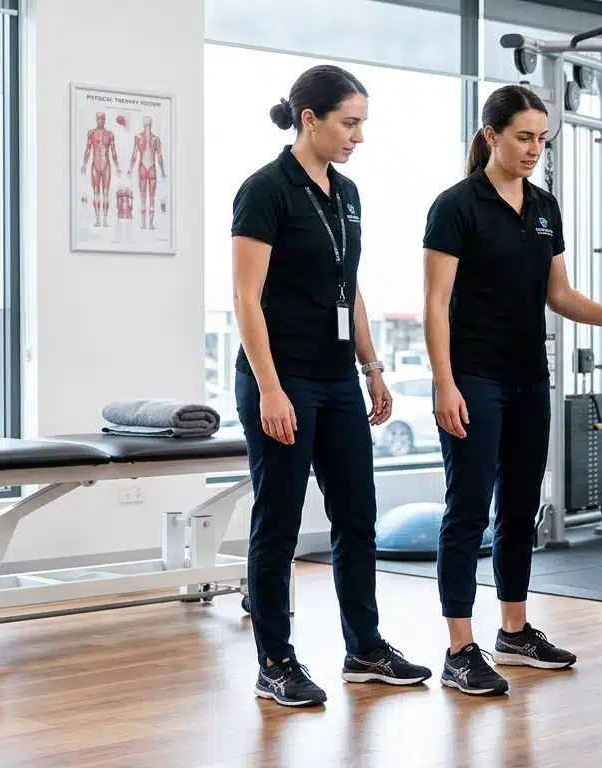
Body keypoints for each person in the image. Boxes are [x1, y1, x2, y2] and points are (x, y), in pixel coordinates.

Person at [231, 64, 432, 708]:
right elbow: (245, 297)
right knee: (280, 522)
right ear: (309, 119)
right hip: (282, 377)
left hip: (337, 377)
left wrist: (371, 367)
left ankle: (365, 649)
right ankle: (275, 660)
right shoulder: (265, 190)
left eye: (363, 125)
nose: (358, 137)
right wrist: (268, 388)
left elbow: (351, 288)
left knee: (356, 517)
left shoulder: (346, 194)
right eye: (349, 124)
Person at [422, 84, 602, 696]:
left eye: (542, 139)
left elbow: (557, 294)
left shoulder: (544, 206)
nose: (535, 149)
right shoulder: (455, 205)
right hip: (473, 377)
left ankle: (513, 631)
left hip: (530, 377)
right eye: (524, 137)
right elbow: (433, 303)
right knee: (467, 509)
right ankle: (461, 648)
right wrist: (444, 384)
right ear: (492, 136)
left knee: (519, 507)